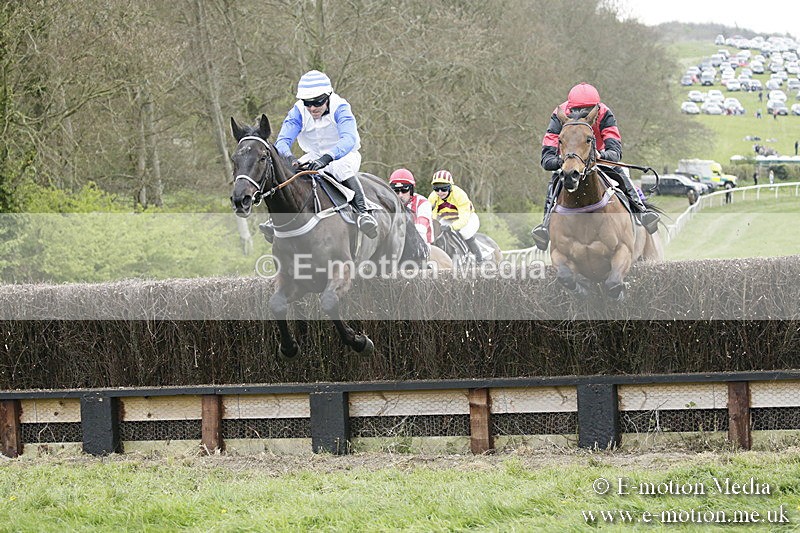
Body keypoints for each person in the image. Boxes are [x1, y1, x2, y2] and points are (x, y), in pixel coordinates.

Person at [530, 83, 660, 251]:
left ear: (596, 108)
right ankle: (545, 226)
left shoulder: (605, 113)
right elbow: (547, 157)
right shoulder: (558, 115)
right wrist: (562, 161)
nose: (583, 114)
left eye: (588, 109)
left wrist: (601, 155)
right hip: (570, 160)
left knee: (621, 172)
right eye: (578, 110)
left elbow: (615, 151)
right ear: (569, 108)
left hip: (597, 158)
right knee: (555, 180)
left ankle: (642, 211)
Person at [259, 70, 378, 243]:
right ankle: (276, 218)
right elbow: (283, 142)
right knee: (287, 172)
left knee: (340, 169)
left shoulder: (341, 107)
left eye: (317, 102)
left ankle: (363, 213)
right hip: (313, 155)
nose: (312, 108)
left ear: (328, 96)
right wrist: (290, 159)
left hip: (343, 155)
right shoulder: (298, 112)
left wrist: (327, 158)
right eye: (308, 103)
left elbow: (349, 139)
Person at [428, 170, 484, 262]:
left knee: (464, 232)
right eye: (436, 188)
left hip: (468, 219)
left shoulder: (460, 195)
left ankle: (479, 260)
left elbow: (464, 218)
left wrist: (452, 227)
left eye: (444, 188)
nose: (440, 192)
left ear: (450, 187)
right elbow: (432, 215)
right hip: (447, 219)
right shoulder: (433, 196)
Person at [389, 168, 433, 244]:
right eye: (396, 191)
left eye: (404, 190)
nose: (400, 195)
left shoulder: (423, 203)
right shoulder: (389, 203)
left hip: (421, 243)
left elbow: (421, 227)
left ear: (411, 190)